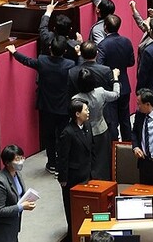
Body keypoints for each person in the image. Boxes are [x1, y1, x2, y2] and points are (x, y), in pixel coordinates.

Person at [8, 36, 74, 174]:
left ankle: (52, 163)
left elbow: (27, 61)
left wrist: (15, 52)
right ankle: (62, 164)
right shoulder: (70, 64)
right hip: (63, 107)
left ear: (50, 48)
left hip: (46, 106)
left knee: (49, 136)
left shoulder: (43, 61)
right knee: (63, 136)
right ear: (65, 50)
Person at [72, 65, 121, 180]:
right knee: (103, 160)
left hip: (84, 133)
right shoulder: (101, 92)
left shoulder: (75, 99)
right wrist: (115, 79)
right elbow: (116, 94)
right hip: (101, 129)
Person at [58, 98, 94, 238]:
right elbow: (63, 158)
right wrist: (63, 178)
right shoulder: (67, 132)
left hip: (87, 173)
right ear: (77, 114)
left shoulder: (87, 126)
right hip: (73, 177)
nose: (88, 112)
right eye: (86, 110)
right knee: (72, 208)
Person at [97, 14, 135, 142]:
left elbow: (100, 67)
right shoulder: (126, 41)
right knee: (125, 119)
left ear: (105, 27)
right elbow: (131, 62)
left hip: (109, 87)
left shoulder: (102, 45)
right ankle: (127, 144)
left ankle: (114, 147)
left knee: (112, 120)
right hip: (124, 85)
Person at [0, 144, 35, 242]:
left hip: (12, 224)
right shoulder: (0, 183)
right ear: (7, 162)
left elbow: (18, 194)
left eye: (22, 158)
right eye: (17, 159)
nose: (21, 161)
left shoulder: (17, 174)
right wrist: (21, 207)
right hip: (1, 229)